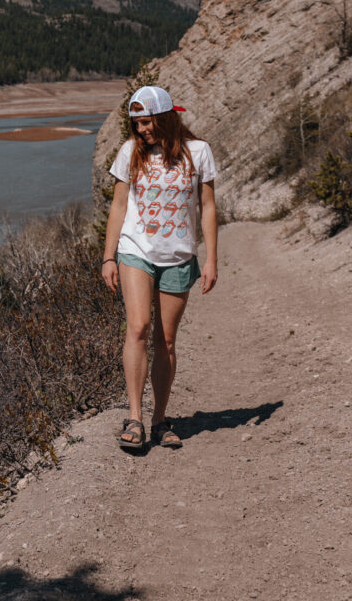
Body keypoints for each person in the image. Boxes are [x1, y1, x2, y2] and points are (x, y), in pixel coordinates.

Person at [102, 85, 218, 451]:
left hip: (179, 256)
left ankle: (159, 420)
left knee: (166, 340)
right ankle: (134, 417)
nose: (141, 130)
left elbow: (207, 207)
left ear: (165, 118)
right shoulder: (130, 151)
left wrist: (211, 259)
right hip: (135, 251)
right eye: (136, 124)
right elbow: (119, 205)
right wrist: (108, 256)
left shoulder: (198, 152)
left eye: (147, 122)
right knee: (137, 327)